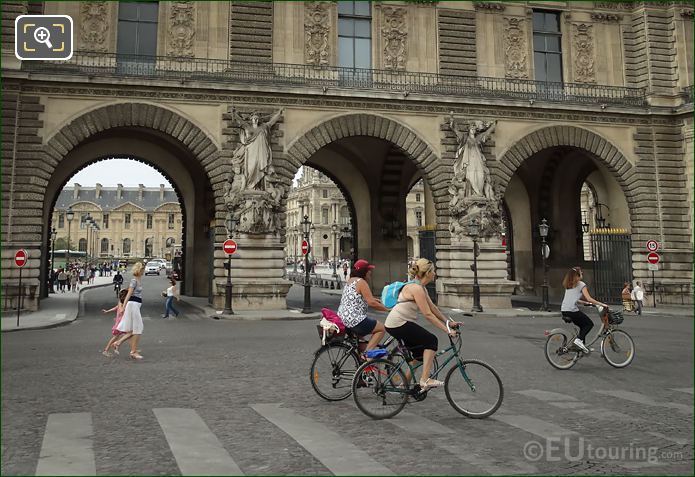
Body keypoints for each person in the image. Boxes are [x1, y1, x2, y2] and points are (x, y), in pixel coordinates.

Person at [384, 258, 460, 390]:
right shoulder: (416, 288)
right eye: (433, 271)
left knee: (419, 356)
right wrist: (446, 330)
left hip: (397, 323)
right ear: (428, 273)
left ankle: (404, 385)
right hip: (398, 323)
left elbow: (433, 308)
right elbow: (428, 314)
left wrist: (448, 322)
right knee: (431, 340)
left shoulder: (420, 287)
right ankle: (425, 380)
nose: (435, 274)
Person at [337, 259, 389, 354]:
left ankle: (363, 365)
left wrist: (374, 299)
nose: (370, 272)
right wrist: (388, 310)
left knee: (362, 342)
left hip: (343, 318)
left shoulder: (350, 281)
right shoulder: (361, 282)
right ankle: (368, 356)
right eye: (368, 270)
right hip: (354, 319)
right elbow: (371, 303)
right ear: (363, 272)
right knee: (381, 329)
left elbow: (358, 297)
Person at [560, 267, 608, 353]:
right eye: (581, 273)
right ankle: (578, 341)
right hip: (572, 311)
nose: (582, 274)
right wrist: (601, 304)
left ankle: (581, 346)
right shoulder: (581, 284)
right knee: (589, 324)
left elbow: (574, 299)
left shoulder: (568, 284)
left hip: (564, 310)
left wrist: (583, 302)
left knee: (583, 326)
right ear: (577, 276)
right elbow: (589, 298)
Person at [111, 262, 145, 360]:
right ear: (139, 270)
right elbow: (129, 294)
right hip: (133, 305)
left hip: (135, 305)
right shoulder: (134, 281)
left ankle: (118, 343)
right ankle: (133, 352)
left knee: (131, 330)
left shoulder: (138, 280)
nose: (143, 271)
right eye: (142, 269)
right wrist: (123, 307)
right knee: (138, 328)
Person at [101, 289, 130, 357]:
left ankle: (117, 347)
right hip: (121, 323)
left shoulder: (121, 302)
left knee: (128, 335)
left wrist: (107, 311)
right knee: (119, 336)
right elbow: (120, 310)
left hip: (121, 323)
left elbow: (115, 308)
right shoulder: (122, 303)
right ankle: (106, 350)